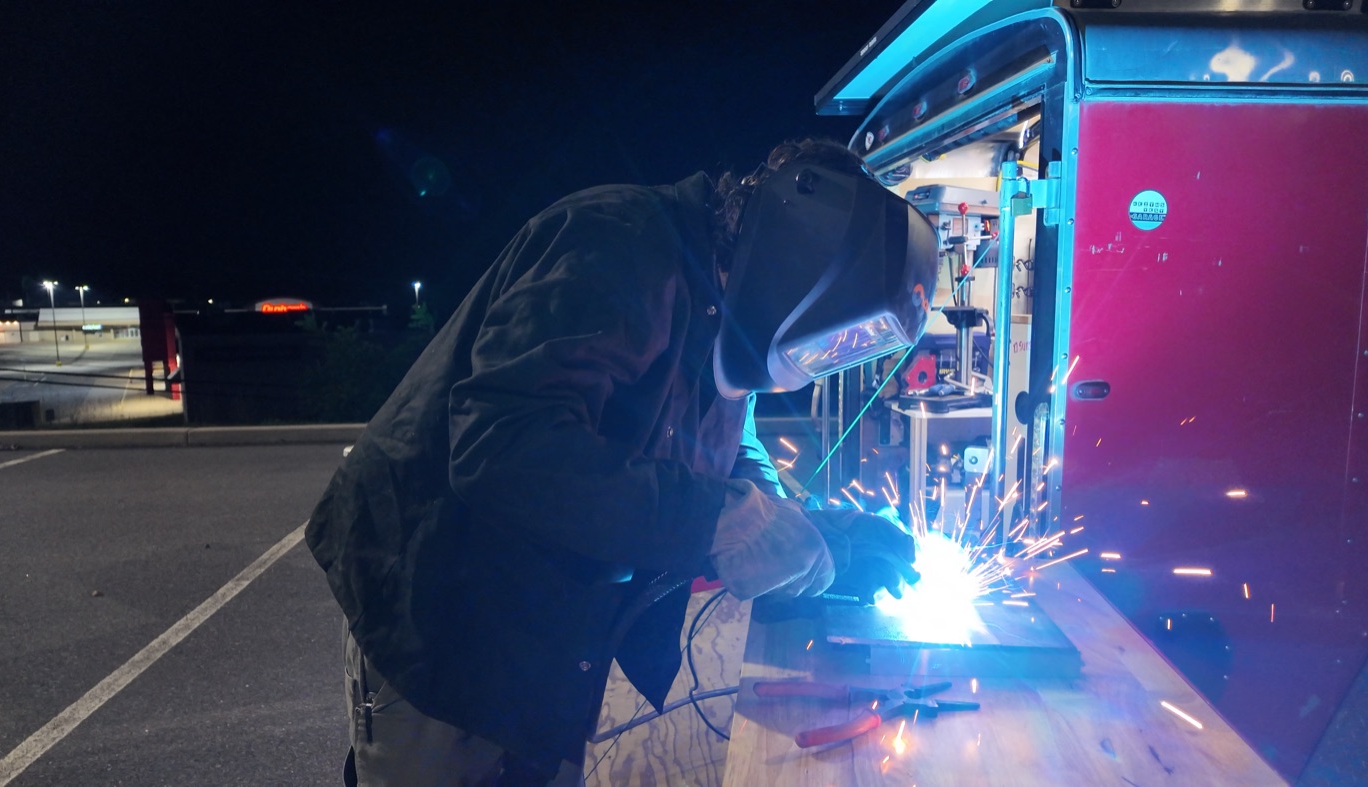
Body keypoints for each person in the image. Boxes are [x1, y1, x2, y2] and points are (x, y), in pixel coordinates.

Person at [305, 137, 938, 786]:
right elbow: (503, 444)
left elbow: (728, 452)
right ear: (794, 263)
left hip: (551, 610)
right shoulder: (617, 247)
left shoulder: (728, 315)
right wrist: (722, 520)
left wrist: (813, 534)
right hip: (441, 591)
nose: (823, 352)